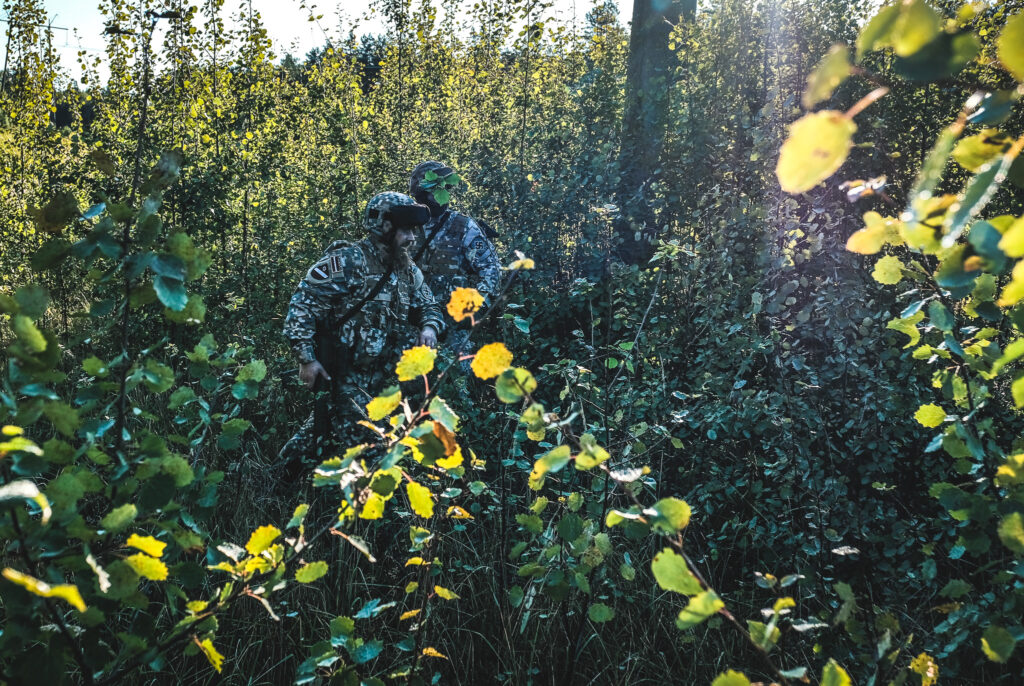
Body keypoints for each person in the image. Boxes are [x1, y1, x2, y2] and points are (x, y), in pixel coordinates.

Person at [278, 192, 444, 464]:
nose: (412, 238)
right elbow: (303, 305)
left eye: (414, 231)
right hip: (341, 377)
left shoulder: (405, 267)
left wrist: (429, 327)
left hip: (377, 379)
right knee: (377, 454)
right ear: (384, 226)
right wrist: (306, 359)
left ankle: (274, 484)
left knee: (313, 440)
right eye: (406, 230)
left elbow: (429, 305)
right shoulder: (349, 261)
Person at [408, 161, 501, 366]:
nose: (444, 195)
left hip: (453, 326)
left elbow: (491, 269)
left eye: (446, 189)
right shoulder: (407, 226)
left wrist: (477, 305)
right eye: (436, 190)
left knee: (457, 384)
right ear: (421, 192)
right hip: (411, 323)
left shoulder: (462, 226)